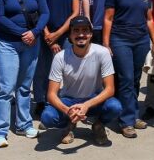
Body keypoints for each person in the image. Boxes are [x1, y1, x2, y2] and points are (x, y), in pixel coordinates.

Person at [0, 0, 50, 148]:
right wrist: (21, 32)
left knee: (24, 87)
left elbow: (45, 12)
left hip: (32, 43)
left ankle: (24, 124)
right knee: (6, 88)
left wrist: (35, 32)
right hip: (8, 43)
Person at [40, 16, 122, 146]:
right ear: (70, 35)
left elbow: (110, 89)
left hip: (94, 99)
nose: (81, 34)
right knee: (47, 117)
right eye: (76, 31)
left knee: (115, 107)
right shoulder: (60, 57)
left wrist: (86, 105)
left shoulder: (102, 53)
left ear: (91, 34)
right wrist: (68, 111)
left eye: (85, 30)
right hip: (69, 100)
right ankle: (68, 125)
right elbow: (51, 94)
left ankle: (98, 125)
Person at [103, 0, 154, 138]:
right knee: (125, 79)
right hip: (121, 40)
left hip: (141, 40)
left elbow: (149, 18)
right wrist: (106, 43)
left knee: (135, 80)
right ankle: (126, 122)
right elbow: (108, 19)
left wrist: (153, 39)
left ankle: (133, 115)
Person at [33, 0, 82, 117]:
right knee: (42, 69)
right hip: (45, 34)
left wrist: (58, 34)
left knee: (68, 69)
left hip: (66, 35)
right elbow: (38, 12)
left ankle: (66, 100)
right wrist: (48, 36)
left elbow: (75, 13)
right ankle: (41, 101)